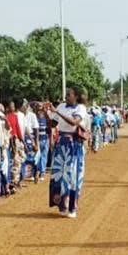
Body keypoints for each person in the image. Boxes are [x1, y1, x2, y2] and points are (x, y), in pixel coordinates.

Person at [48, 86, 89, 218]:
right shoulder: (61, 106)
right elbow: (53, 125)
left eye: (69, 95)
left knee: (73, 178)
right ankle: (62, 205)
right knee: (59, 176)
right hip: (62, 144)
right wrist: (47, 113)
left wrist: (57, 113)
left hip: (74, 145)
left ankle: (72, 208)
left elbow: (73, 123)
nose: (66, 97)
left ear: (76, 96)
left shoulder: (80, 108)